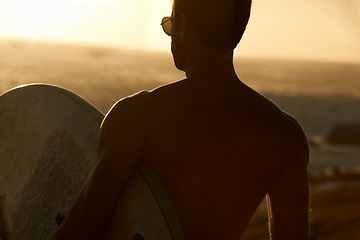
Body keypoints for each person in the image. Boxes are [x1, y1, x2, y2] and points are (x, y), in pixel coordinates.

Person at [51, 0, 309, 239]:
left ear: (184, 26)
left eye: (171, 23)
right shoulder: (285, 137)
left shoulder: (138, 117)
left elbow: (80, 231)